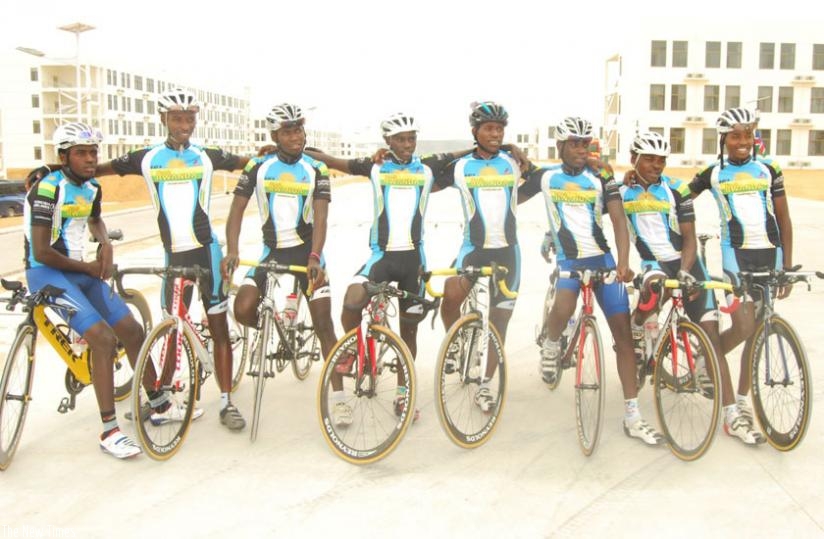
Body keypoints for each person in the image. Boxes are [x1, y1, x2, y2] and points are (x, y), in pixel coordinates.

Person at [94, 88, 249, 431]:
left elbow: (248, 162)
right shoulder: (146, 158)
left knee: (219, 328)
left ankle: (226, 401)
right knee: (170, 328)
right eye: (177, 118)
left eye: (190, 118)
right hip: (173, 256)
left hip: (207, 254)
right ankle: (163, 397)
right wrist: (52, 169)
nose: (185, 125)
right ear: (162, 118)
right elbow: (98, 168)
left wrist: (266, 154)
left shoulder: (207, 156)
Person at [303, 112, 471, 424]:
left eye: (411, 138)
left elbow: (463, 153)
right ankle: (354, 349)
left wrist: (500, 148)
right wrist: (294, 150)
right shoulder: (375, 166)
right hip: (381, 258)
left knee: (409, 333)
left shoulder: (428, 166)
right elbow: (333, 160)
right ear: (388, 141)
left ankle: (403, 394)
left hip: (414, 263)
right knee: (352, 300)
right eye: (400, 139)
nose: (407, 144)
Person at [519, 117, 665, 446]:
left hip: (602, 259)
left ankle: (633, 416)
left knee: (623, 336)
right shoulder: (545, 177)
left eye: (585, 143)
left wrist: (623, 263)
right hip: (570, 260)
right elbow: (508, 199)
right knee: (564, 304)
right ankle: (552, 343)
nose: (581, 149)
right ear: (560, 146)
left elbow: (618, 220)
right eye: (574, 143)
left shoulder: (600, 177)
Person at [620, 131, 764, 444]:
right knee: (653, 286)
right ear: (634, 159)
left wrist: (686, 272)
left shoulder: (677, 189)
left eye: (661, 160)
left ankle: (731, 416)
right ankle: (638, 325)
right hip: (653, 264)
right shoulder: (621, 191)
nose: (656, 165)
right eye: (649, 159)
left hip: (687, 262)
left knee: (711, 338)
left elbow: (689, 238)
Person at [24, 122, 145, 459]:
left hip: (80, 271)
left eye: (93, 152)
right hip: (47, 273)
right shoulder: (48, 189)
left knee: (132, 330)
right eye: (81, 153)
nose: (91, 159)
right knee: (103, 339)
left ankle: (158, 400)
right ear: (64, 156)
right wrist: (90, 268)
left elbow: (94, 219)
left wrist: (105, 243)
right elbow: (42, 251)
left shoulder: (92, 187)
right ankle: (110, 431)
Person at [221, 103, 338, 416]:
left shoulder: (316, 168)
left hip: (307, 253)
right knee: (242, 308)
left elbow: (321, 219)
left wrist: (315, 257)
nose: (295, 137)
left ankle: (340, 399)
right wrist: (232, 250)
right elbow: (236, 210)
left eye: (299, 130)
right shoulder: (258, 166)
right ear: (274, 135)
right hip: (271, 252)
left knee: (324, 325)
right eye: (287, 132)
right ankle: (270, 324)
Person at [689, 107, 793, 440]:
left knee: (758, 332)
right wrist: (634, 181)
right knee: (744, 325)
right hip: (736, 258)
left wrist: (787, 265)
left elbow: (784, 218)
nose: (743, 141)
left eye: (748, 134)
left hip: (771, 255)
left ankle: (742, 401)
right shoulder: (712, 172)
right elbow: (678, 196)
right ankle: (708, 358)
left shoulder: (769, 168)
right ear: (723, 139)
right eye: (735, 136)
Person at [432, 101, 526, 413]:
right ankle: (456, 342)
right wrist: (466, 150)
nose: (496, 134)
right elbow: (425, 171)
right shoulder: (460, 167)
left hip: (508, 253)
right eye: (488, 128)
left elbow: (553, 175)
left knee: (499, 322)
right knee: (450, 295)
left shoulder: (514, 163)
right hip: (473, 249)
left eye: (500, 129)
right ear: (475, 131)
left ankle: (486, 384)